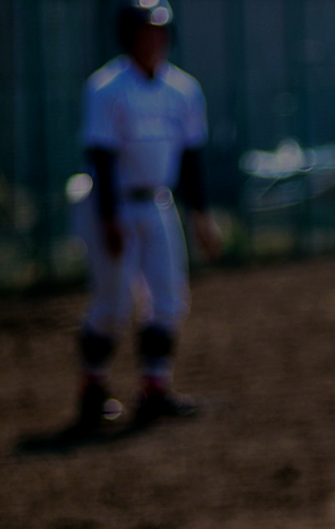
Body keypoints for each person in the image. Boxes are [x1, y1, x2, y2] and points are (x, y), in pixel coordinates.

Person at [70, 0, 221, 434]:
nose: (154, 40)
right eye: (145, 31)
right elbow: (99, 155)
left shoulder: (184, 90)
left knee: (170, 298)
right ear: (127, 37)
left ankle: (155, 388)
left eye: (160, 31)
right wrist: (109, 218)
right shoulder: (106, 87)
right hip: (112, 203)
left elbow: (192, 159)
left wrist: (202, 218)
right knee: (114, 302)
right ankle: (92, 387)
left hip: (158, 203)